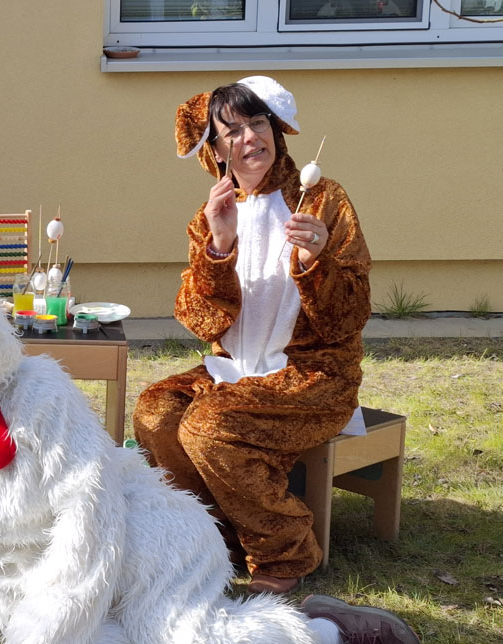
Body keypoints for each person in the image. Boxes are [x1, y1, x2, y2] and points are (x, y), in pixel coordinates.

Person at [0, 275, 417, 644]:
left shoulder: (40, 394)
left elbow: (90, 506)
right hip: (33, 576)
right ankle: (192, 633)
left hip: (141, 539)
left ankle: (326, 632)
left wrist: (63, 611)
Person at [132, 76, 372, 595]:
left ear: (277, 129)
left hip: (313, 375)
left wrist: (317, 261)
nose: (249, 139)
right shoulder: (210, 216)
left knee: (208, 427)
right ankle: (212, 534)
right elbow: (201, 320)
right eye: (231, 131)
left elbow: (349, 319)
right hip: (235, 367)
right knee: (154, 412)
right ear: (214, 151)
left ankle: (284, 551)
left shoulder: (323, 200)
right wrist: (219, 246)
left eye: (257, 123)